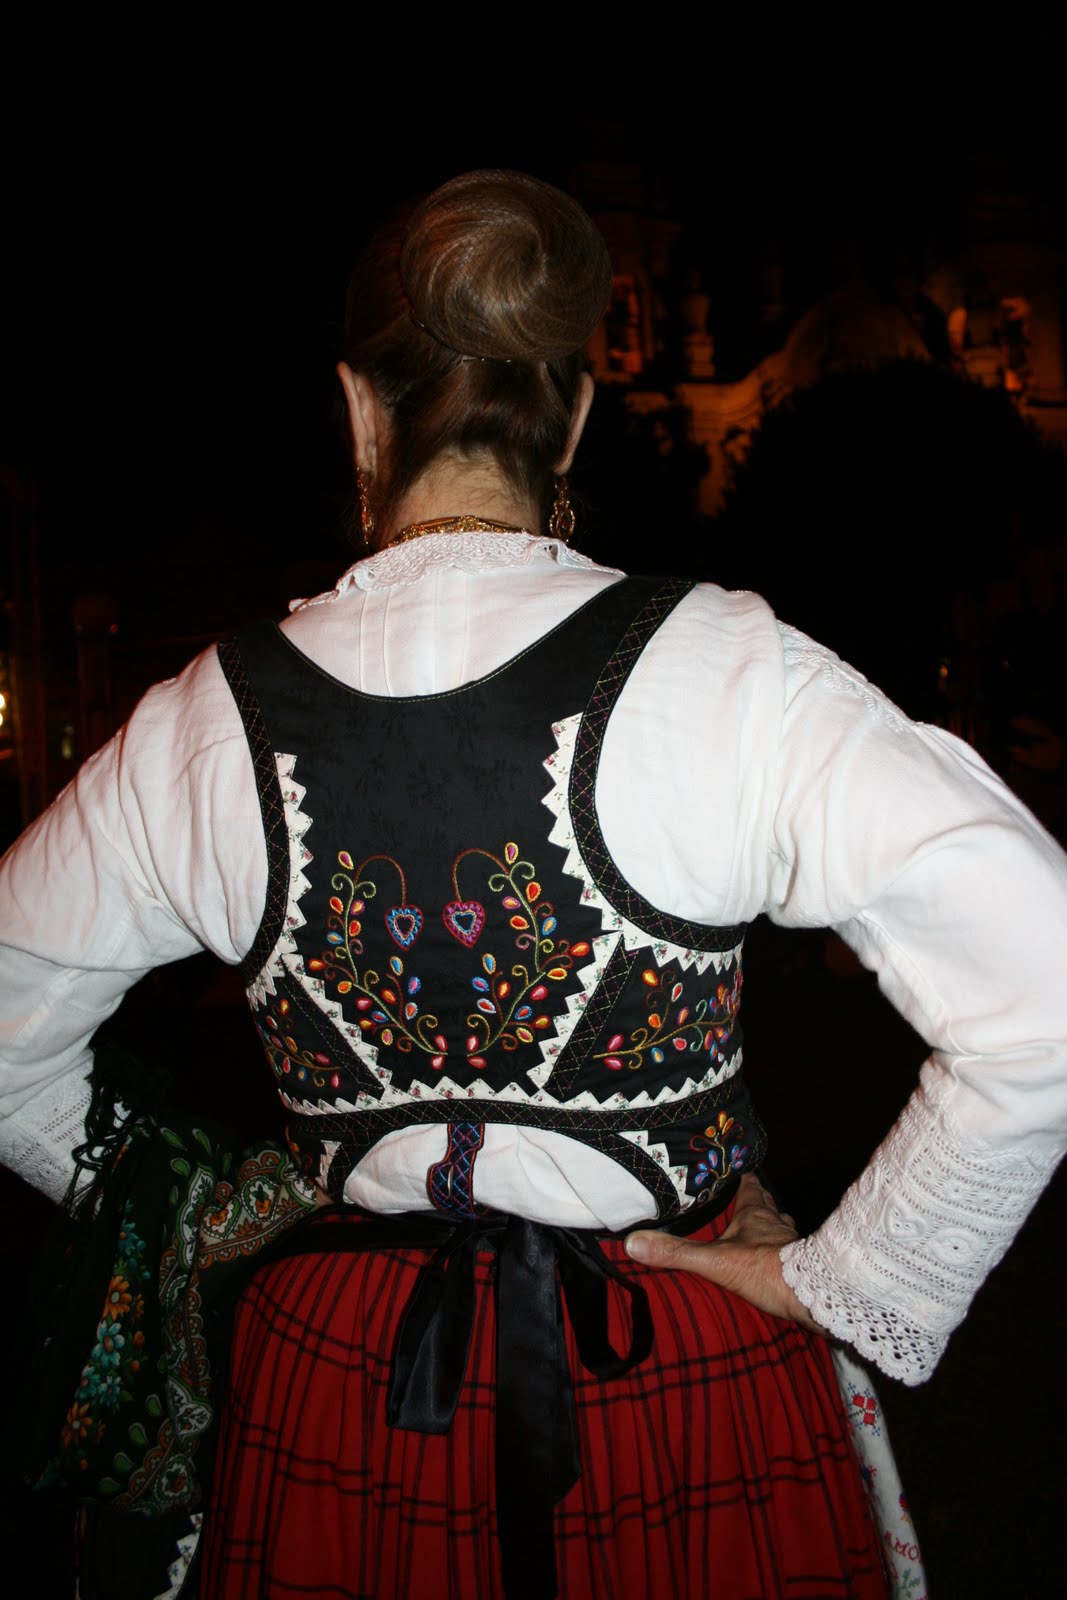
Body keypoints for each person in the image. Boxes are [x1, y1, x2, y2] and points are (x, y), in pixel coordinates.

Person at [2, 169, 1066, 1600]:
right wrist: (849, 1279)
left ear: (360, 410)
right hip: (674, 1371)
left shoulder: (194, 724)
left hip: (341, 1389)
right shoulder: (731, 672)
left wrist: (207, 1199)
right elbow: (1047, 984)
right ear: (571, 414)